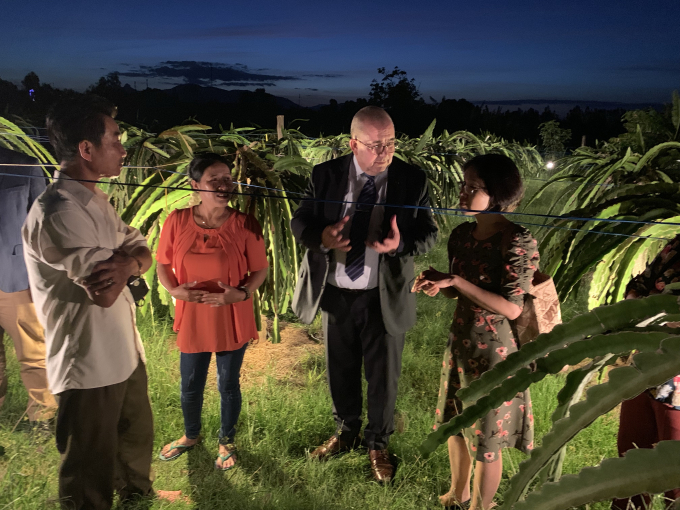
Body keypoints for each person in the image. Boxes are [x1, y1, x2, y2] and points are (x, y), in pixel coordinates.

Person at [291, 106, 438, 483]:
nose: (385, 153)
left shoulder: (411, 178)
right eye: (375, 145)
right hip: (336, 290)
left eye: (390, 143)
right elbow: (301, 219)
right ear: (353, 143)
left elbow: (429, 233)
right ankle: (345, 432)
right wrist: (321, 236)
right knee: (339, 369)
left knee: (383, 375)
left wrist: (401, 242)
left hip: (382, 293)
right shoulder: (326, 175)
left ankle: (378, 443)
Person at [22, 96, 154, 510]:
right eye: (115, 139)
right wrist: (131, 261)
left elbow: (141, 248)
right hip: (88, 363)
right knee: (88, 468)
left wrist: (128, 260)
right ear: (86, 149)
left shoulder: (94, 201)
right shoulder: (59, 213)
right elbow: (105, 290)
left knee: (134, 435)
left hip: (123, 350)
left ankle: (136, 494)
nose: (123, 148)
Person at [414, 154, 537, 510]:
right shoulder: (462, 234)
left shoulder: (517, 240)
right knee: (454, 423)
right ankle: (458, 493)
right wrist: (443, 283)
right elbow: (463, 289)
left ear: (497, 193)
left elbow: (512, 307)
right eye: (463, 184)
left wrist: (457, 281)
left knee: (487, 438)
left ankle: (480, 507)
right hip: (461, 343)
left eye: (474, 187)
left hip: (495, 350)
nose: (463, 193)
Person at [156, 153, 268, 470]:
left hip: (231, 314)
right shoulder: (176, 221)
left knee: (228, 384)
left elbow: (260, 270)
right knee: (190, 383)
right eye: (213, 180)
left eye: (227, 179)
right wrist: (174, 290)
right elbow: (163, 263)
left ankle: (226, 441)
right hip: (194, 315)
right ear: (195, 185)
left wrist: (240, 293)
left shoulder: (246, 224)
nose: (223, 185)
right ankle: (191, 436)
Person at [611, 236, 680, 510]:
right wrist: (637, 308)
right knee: (631, 456)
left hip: (676, 379)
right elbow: (638, 284)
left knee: (673, 470)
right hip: (645, 365)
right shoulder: (675, 246)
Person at [0, 146, 57, 426]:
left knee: (33, 350)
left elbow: (43, 227)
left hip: (16, 277)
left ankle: (42, 415)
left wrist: (42, 279)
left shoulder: (23, 165)